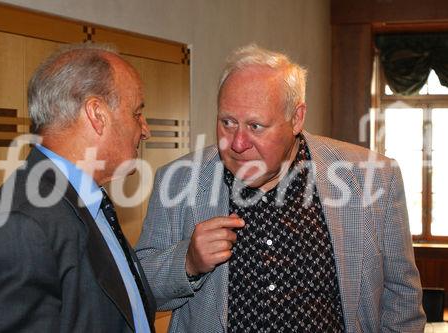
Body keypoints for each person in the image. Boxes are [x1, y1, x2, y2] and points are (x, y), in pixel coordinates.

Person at [136, 44, 425, 332]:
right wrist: (187, 262)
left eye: (256, 126)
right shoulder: (177, 180)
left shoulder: (372, 178)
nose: (237, 143)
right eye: (227, 122)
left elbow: (402, 300)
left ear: (296, 118)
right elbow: (137, 285)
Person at [0, 44, 156, 332]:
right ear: (97, 114)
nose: (145, 128)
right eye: (136, 113)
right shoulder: (23, 225)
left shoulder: (85, 201)